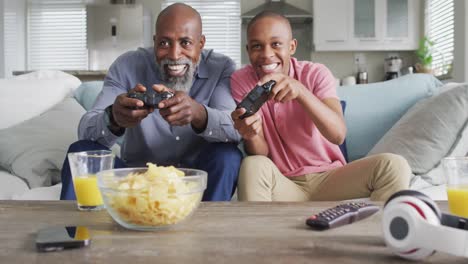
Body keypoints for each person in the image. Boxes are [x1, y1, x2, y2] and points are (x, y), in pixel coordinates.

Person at [60, 3, 242, 201]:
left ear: (201, 43)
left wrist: (199, 113)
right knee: (82, 151)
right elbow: (86, 132)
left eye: (186, 42)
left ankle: (207, 231)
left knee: (228, 155)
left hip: (196, 183)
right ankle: (84, 232)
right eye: (164, 43)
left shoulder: (222, 67)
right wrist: (113, 117)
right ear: (155, 41)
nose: (174, 55)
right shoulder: (127, 65)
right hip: (135, 181)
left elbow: (235, 129)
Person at [231, 11, 410, 202]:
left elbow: (337, 134)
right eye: (257, 46)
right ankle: (258, 233)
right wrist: (250, 134)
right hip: (283, 183)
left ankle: (376, 230)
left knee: (395, 165)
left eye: (276, 44)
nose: (266, 54)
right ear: (248, 50)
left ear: (292, 47)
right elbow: (262, 153)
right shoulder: (241, 80)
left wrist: (301, 92)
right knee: (252, 164)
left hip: (331, 179)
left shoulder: (316, 74)